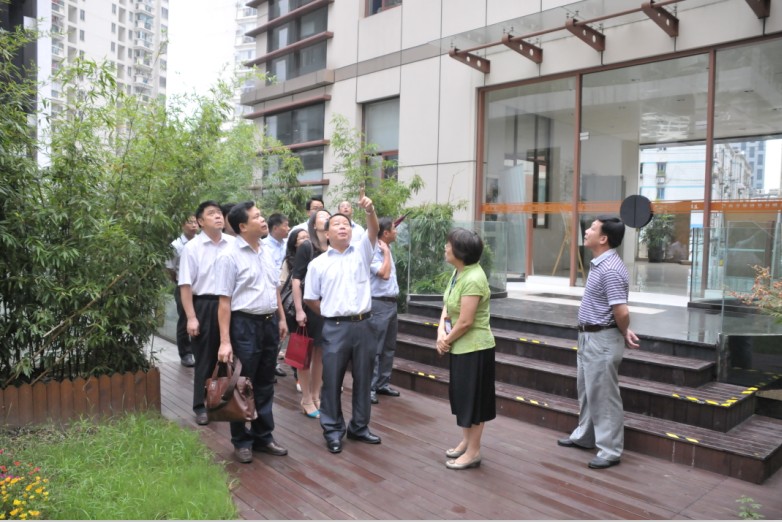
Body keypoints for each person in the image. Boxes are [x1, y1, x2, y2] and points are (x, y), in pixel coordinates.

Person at [557, 215, 640, 470]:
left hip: (601, 339)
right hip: (589, 336)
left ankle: (610, 450)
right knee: (587, 390)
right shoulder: (600, 264)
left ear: (603, 238)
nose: (586, 231)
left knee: (604, 395)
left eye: (592, 229)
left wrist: (623, 330)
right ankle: (585, 436)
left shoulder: (611, 269)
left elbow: (621, 311)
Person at [304, 191, 379, 454]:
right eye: (336, 224)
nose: (342, 227)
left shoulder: (362, 252)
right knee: (332, 380)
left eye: (346, 224)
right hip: (335, 327)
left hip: (364, 325)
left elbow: (373, 231)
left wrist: (369, 211)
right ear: (326, 234)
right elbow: (311, 298)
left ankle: (359, 427)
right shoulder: (318, 264)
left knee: (364, 378)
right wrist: (331, 313)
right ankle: (333, 430)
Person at [215, 201, 289, 464]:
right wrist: (225, 342)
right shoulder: (229, 256)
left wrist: (281, 318)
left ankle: (263, 436)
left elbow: (274, 289)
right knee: (242, 384)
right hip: (244, 325)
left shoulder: (267, 251)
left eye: (261, 215)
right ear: (243, 226)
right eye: (257, 216)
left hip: (269, 323)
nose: (263, 219)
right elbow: (224, 302)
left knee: (265, 382)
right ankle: (241, 441)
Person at [435, 228, 496, 470]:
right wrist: (441, 332)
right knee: (462, 398)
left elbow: (466, 321)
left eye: (448, 245)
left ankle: (473, 451)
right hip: (459, 345)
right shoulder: (459, 272)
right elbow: (448, 306)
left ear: (460, 251)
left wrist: (446, 340)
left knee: (474, 400)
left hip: (475, 348)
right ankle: (466, 442)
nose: (445, 248)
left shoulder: (474, 278)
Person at [178, 201, 235, 426]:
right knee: (205, 358)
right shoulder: (192, 247)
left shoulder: (233, 243)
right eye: (212, 214)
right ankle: (201, 405)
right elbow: (185, 285)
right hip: (205, 304)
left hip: (232, 304)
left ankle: (225, 402)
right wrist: (191, 317)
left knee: (230, 356)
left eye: (220, 213)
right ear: (200, 221)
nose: (218, 216)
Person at [291, 209, 331, 418]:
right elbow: (296, 279)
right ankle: (306, 398)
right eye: (321, 216)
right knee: (304, 354)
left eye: (328, 216)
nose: (326, 218)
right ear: (314, 225)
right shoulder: (307, 246)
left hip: (327, 307)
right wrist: (299, 310)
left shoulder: (334, 248)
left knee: (320, 355)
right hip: (308, 306)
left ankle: (316, 395)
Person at [369, 217, 400, 405]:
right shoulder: (375, 250)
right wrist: (386, 253)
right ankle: (370, 388)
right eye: (394, 229)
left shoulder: (386, 248)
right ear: (386, 233)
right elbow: (383, 274)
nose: (396, 232)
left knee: (389, 346)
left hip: (391, 303)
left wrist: (387, 251)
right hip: (378, 304)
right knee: (376, 347)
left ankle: (382, 383)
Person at [166, 214, 199, 367]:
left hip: (200, 287)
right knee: (185, 319)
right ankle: (185, 354)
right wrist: (178, 281)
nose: (193, 225)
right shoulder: (176, 245)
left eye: (195, 222)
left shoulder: (201, 242)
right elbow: (170, 268)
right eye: (189, 222)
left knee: (200, 318)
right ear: (182, 225)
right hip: (183, 286)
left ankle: (198, 352)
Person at [281, 228, 310, 393]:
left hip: (313, 304)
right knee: (298, 341)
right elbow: (282, 284)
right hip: (295, 306)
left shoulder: (316, 256)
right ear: (294, 243)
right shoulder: (289, 261)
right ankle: (298, 375)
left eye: (307, 237)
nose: (306, 240)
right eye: (301, 238)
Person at [263, 213, 290, 377]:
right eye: (285, 225)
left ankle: (273, 363)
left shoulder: (287, 245)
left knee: (282, 327)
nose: (288, 228)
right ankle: (269, 365)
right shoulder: (264, 246)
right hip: (272, 290)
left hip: (287, 290)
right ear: (275, 228)